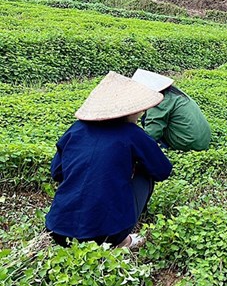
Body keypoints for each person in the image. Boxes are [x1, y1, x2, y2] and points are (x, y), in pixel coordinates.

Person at [46, 71, 173, 249]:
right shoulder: (132, 134)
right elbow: (162, 170)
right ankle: (123, 241)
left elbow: (56, 172)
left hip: (57, 231)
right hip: (108, 234)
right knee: (147, 171)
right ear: (132, 110)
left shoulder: (75, 130)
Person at [131, 69, 211, 151]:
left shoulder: (159, 101)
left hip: (187, 143)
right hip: (203, 141)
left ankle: (163, 148)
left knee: (147, 122)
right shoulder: (174, 93)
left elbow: (152, 133)